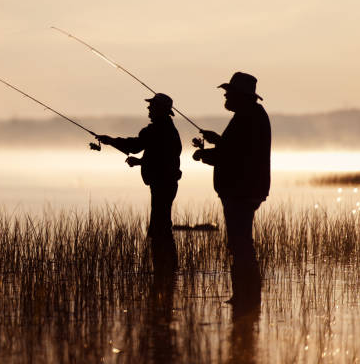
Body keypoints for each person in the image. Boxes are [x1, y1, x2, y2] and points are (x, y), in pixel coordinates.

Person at [192, 72, 271, 308]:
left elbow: (235, 156)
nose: (225, 96)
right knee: (240, 242)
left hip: (241, 192)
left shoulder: (248, 117)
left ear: (241, 96)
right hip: (244, 190)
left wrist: (205, 154)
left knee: (240, 243)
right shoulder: (250, 115)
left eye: (229, 93)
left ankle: (246, 298)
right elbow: (235, 148)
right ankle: (246, 297)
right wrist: (217, 139)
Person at [97, 93, 182, 271]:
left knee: (160, 228)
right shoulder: (167, 130)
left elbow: (136, 146)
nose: (149, 109)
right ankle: (167, 270)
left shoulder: (158, 130)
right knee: (162, 226)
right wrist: (140, 161)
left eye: (152, 106)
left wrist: (111, 141)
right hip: (166, 183)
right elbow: (161, 156)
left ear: (160, 110)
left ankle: (165, 270)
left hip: (162, 184)